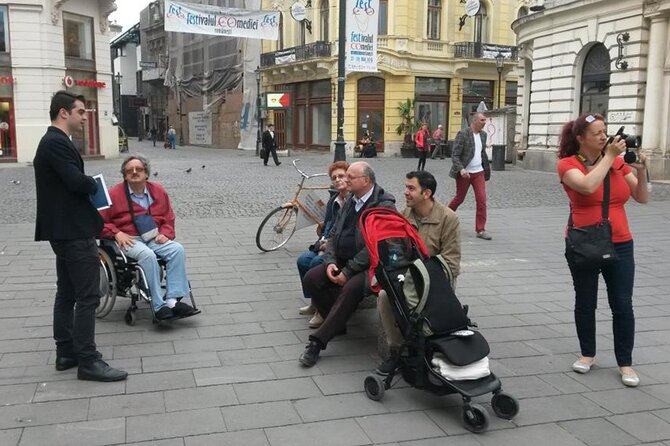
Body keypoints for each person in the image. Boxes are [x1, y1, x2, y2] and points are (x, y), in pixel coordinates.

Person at [33, 90, 128, 382]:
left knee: (67, 292)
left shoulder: (53, 142)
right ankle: (88, 360)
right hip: (73, 232)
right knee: (87, 296)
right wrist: (93, 185)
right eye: (80, 112)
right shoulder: (56, 143)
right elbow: (75, 181)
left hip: (63, 230)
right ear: (64, 113)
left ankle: (66, 352)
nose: (85, 117)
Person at [557, 113, 649, 387]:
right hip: (584, 241)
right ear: (580, 138)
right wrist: (609, 157)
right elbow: (587, 185)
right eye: (597, 132)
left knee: (622, 303)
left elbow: (642, 197)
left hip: (621, 241)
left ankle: (625, 363)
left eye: (604, 131)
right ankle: (587, 354)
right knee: (585, 300)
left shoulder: (618, 163)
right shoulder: (567, 164)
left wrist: (642, 170)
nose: (603, 135)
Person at [299, 162, 396, 367]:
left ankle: (317, 342)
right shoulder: (351, 199)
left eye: (351, 177)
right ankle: (337, 323)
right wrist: (330, 262)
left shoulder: (384, 204)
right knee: (312, 278)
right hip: (342, 259)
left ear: (366, 181)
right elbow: (333, 235)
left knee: (350, 288)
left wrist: (348, 270)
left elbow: (375, 247)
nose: (345, 180)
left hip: (370, 266)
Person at [376, 171, 461, 374]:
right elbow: (395, 249)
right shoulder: (405, 215)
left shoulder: (448, 218)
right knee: (385, 295)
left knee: (418, 305)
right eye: (406, 187)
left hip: (436, 280)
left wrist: (423, 277)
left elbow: (452, 262)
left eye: (411, 188)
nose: (405, 192)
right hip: (408, 276)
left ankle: (428, 347)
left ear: (427, 193)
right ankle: (397, 350)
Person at [99, 155, 197, 321]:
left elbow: (168, 216)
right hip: (129, 239)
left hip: (154, 237)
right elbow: (98, 222)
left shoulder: (158, 191)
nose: (134, 172)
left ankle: (173, 301)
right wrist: (116, 232)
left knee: (177, 249)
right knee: (147, 255)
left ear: (146, 173)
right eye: (129, 170)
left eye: (139, 169)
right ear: (124, 175)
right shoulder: (113, 194)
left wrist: (165, 233)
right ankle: (159, 306)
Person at [297, 161, 350, 328]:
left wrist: (329, 245)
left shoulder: (353, 201)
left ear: (349, 177)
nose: (337, 180)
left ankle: (323, 309)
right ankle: (314, 301)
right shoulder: (334, 200)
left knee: (316, 263)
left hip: (341, 249)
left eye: (341, 176)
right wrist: (321, 242)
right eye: (334, 177)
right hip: (327, 243)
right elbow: (327, 225)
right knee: (303, 260)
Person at [448, 112, 492, 240]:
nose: (484, 122)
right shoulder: (463, 134)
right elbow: (455, 155)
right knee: (459, 198)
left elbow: (481, 152)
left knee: (482, 200)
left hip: (479, 172)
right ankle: (443, 217)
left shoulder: (483, 135)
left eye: (485, 120)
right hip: (465, 173)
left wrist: (485, 168)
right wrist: (461, 169)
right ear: (475, 121)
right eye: (482, 120)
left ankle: (480, 230)